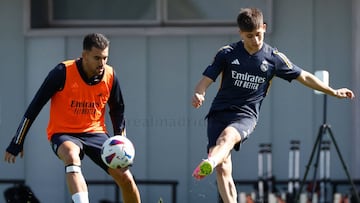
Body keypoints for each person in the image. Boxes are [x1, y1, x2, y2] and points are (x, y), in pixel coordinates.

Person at [191, 8, 355, 203]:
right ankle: (216, 166)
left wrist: (332, 91)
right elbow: (206, 79)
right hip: (219, 113)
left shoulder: (273, 58)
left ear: (264, 28)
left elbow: (304, 76)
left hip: (245, 115)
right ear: (240, 33)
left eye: (258, 34)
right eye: (249, 36)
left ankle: (209, 160)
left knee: (226, 139)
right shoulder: (227, 53)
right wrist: (199, 93)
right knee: (223, 168)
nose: (255, 40)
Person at [4, 33, 141, 203]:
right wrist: (18, 140)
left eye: (105, 58)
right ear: (84, 55)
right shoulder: (62, 72)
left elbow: (117, 109)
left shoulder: (110, 75)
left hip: (96, 134)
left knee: (126, 179)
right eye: (97, 58)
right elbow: (35, 106)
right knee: (71, 155)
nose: (102, 63)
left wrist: (121, 141)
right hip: (63, 133)